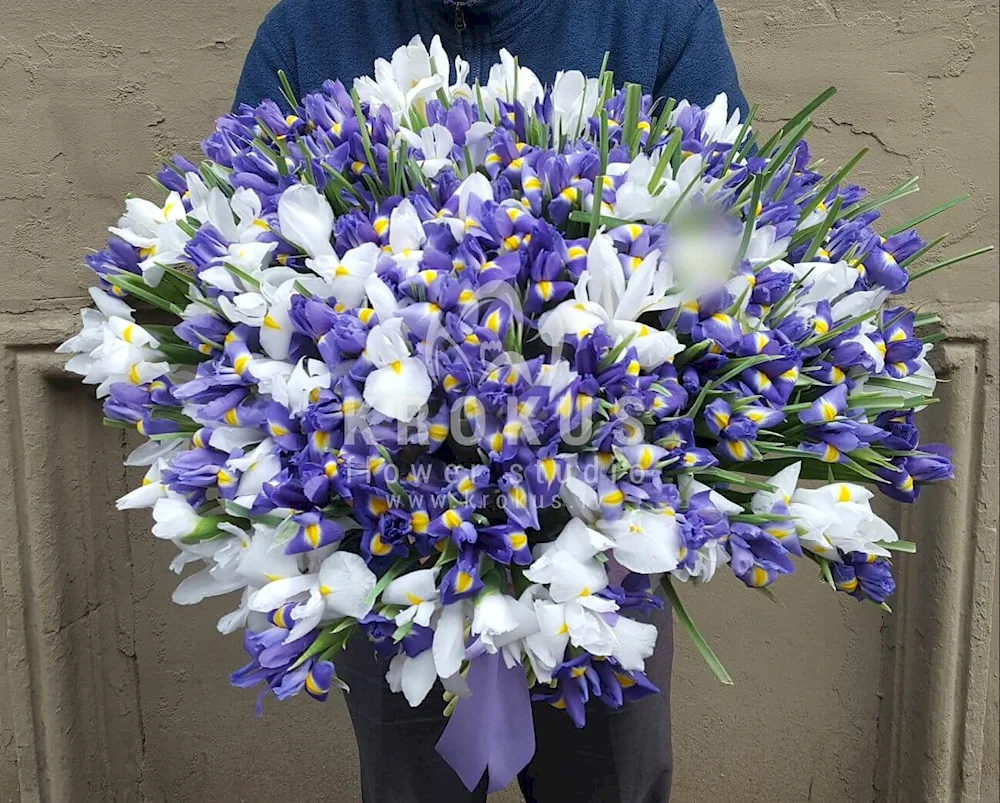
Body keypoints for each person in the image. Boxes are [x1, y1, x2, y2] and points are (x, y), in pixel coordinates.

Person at [232, 3, 748, 801]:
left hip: (601, 552)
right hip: (390, 558)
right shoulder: (306, 33)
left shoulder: (655, 18)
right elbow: (251, 273)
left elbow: (723, 264)